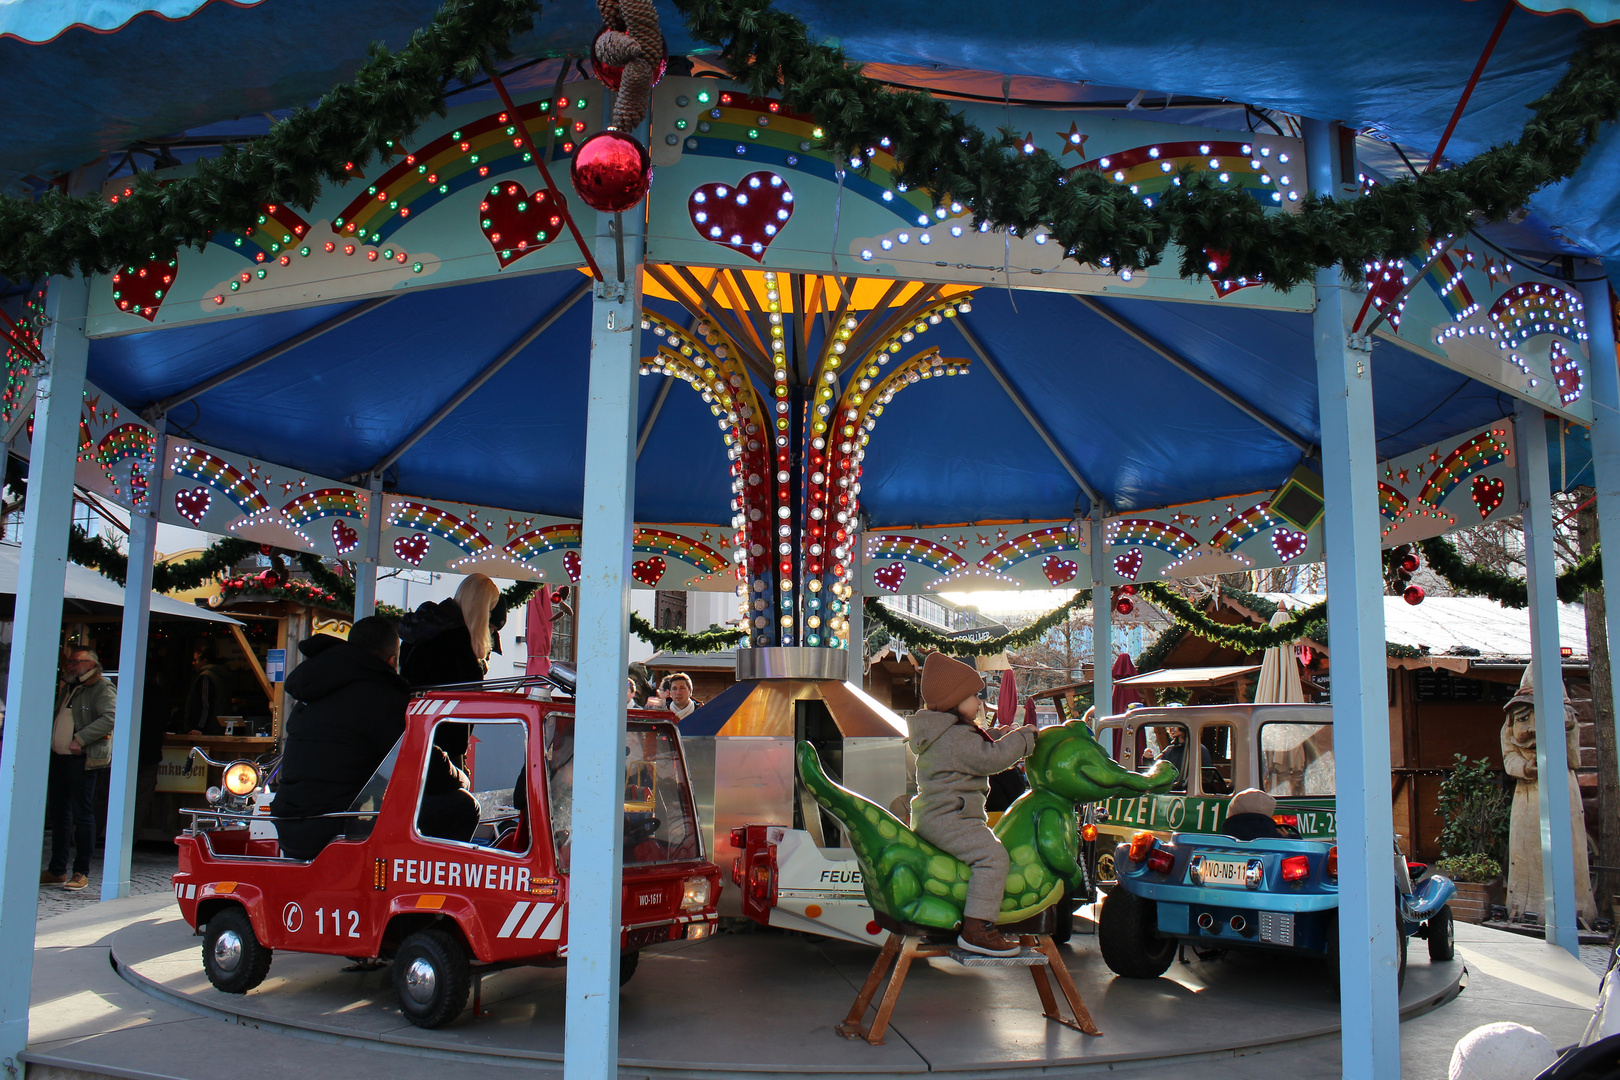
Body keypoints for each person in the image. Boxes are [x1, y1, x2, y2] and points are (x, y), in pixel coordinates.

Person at [274, 617, 477, 859]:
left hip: (290, 826)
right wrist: (459, 777)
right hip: (337, 828)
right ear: (392, 660)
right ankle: (419, 887)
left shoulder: (315, 689)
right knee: (463, 806)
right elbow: (422, 762)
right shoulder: (378, 695)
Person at [907, 652, 1037, 957]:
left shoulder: (944, 732)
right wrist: (1023, 740)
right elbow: (987, 759)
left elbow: (973, 747)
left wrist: (999, 735)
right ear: (954, 700)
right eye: (973, 696)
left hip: (937, 815)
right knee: (992, 857)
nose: (979, 702)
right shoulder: (955, 737)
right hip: (953, 818)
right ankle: (978, 930)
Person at [399, 574, 500, 768]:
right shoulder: (458, 640)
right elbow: (468, 696)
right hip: (443, 736)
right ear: (481, 608)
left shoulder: (425, 625)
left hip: (412, 725)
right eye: (489, 610)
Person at [44, 646, 117, 890]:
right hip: (60, 758)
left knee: (82, 815)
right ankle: (57, 870)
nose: (71, 665)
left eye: (76, 661)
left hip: (81, 759)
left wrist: (81, 738)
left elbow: (110, 717)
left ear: (91, 664)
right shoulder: (70, 686)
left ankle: (80, 871)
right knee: (60, 815)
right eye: (70, 661)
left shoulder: (101, 686)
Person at [182, 642, 230, 736]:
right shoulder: (218, 676)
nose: (193, 663)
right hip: (216, 727)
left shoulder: (206, 677)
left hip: (205, 729)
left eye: (195, 660)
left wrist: (199, 727)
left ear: (204, 660)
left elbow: (206, 704)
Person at [1160, 725, 1224, 793]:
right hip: (1172, 792)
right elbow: (1159, 770)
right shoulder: (1169, 750)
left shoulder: (1199, 749)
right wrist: (1148, 758)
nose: (1172, 728)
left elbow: (1206, 776)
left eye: (1176, 725)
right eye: (1171, 725)